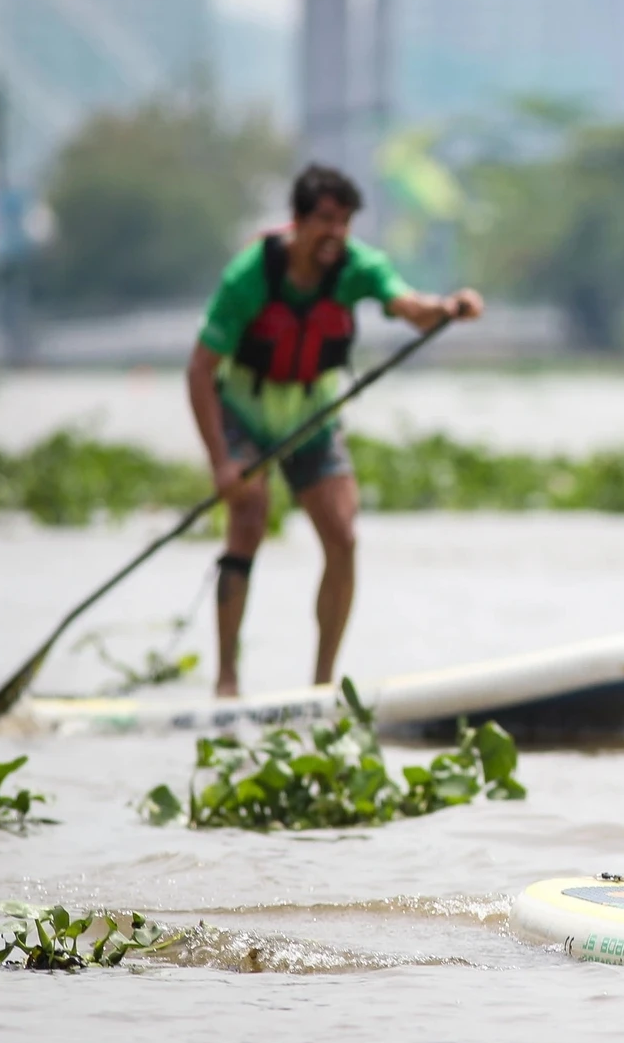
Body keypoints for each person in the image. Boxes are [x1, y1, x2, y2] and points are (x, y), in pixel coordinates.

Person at [185, 164, 482, 697]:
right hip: (247, 413)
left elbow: (408, 306)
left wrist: (446, 308)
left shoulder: (357, 267)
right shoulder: (249, 276)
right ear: (297, 222)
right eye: (325, 221)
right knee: (247, 520)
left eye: (344, 222)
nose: (336, 235)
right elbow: (200, 369)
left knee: (343, 537)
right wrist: (221, 464)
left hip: (312, 414)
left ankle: (320, 687)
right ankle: (227, 682)